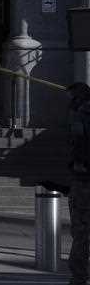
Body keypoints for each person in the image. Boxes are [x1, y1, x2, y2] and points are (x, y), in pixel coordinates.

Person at [68, 81, 90, 285]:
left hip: (84, 181)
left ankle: (80, 277)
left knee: (82, 232)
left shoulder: (82, 114)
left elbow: (79, 145)